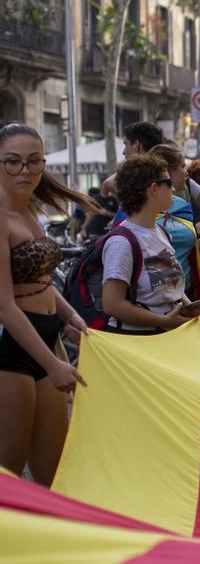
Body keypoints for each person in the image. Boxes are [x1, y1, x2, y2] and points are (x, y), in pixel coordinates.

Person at [0, 123, 90, 485]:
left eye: (34, 162)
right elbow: (5, 305)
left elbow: (41, 281)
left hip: (47, 340)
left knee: (53, 473)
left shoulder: (32, 213)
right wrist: (52, 364)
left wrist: (72, 316)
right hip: (12, 348)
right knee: (10, 475)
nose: (26, 171)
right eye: (13, 162)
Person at [102, 155, 196, 334]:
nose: (174, 188)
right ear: (153, 189)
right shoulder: (121, 242)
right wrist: (164, 321)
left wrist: (189, 308)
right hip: (138, 343)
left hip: (166, 337)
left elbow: (170, 286)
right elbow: (112, 305)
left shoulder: (161, 232)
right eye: (168, 183)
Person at [144, 144, 200, 298]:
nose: (186, 172)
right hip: (156, 299)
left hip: (182, 291)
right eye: (182, 166)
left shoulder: (181, 204)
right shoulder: (142, 220)